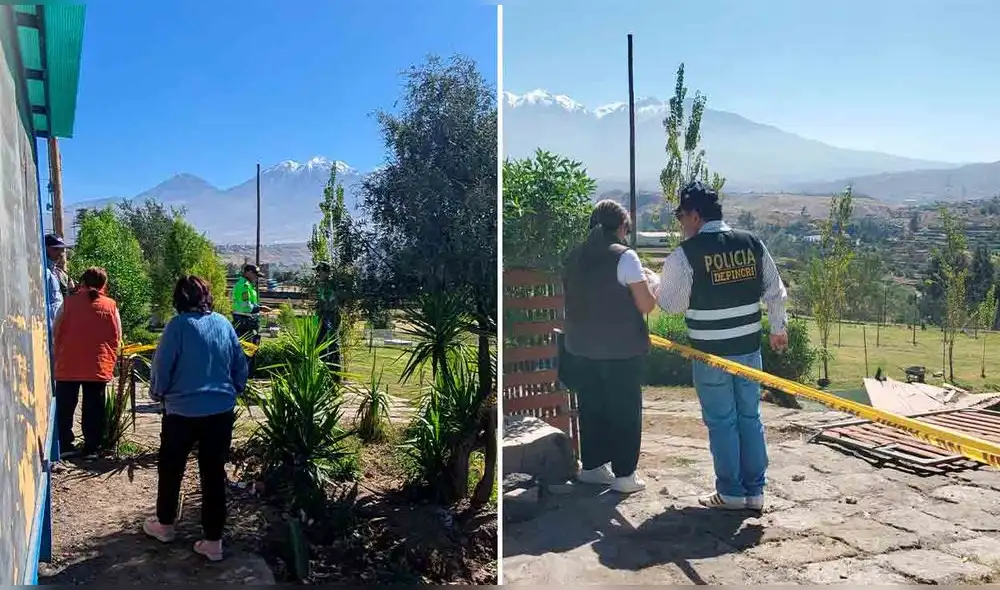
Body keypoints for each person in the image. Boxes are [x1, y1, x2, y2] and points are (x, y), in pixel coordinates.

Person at [655, 181, 789, 511]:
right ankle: (755, 491)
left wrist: (653, 283)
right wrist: (777, 328)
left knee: (722, 421)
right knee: (750, 416)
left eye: (680, 216)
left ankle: (730, 491)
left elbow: (671, 305)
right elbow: (775, 289)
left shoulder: (685, 255)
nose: (680, 223)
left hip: (710, 355)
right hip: (748, 350)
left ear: (695, 216)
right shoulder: (752, 243)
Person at [143, 275, 249, 562]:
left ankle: (165, 525)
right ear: (207, 297)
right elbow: (240, 363)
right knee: (213, 474)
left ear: (179, 299)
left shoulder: (177, 327)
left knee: (171, 468)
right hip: (220, 411)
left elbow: (162, 366)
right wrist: (234, 389)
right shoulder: (224, 324)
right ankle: (213, 542)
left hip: (182, 412)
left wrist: (157, 393)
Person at [562, 199, 659, 494]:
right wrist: (653, 284)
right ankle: (625, 475)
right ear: (621, 227)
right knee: (625, 411)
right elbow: (645, 304)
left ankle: (592, 467)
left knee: (592, 408)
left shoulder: (573, 256)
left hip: (579, 347)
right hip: (620, 351)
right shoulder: (625, 257)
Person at [53, 267, 121, 460]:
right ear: (103, 284)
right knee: (94, 407)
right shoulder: (111, 305)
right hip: (98, 364)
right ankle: (92, 447)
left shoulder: (68, 303)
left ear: (82, 282)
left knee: (66, 406)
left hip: (68, 363)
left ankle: (65, 445)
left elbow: (55, 328)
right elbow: (118, 334)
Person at [231, 264, 269, 372]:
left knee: (251, 351)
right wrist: (260, 308)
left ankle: (248, 375)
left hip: (250, 323)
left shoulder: (249, 286)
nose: (256, 277)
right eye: (255, 274)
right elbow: (246, 306)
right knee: (246, 353)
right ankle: (245, 377)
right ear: (247, 272)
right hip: (244, 323)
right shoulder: (244, 286)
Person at [314, 262, 341, 374]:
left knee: (331, 341)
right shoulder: (321, 284)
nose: (317, 274)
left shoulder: (329, 285)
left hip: (329, 317)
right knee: (320, 341)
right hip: (323, 317)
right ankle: (321, 365)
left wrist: (322, 308)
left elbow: (330, 303)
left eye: (319, 271)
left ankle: (333, 368)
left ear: (325, 272)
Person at [44, 233, 76, 297]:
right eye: (56, 249)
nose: (60, 253)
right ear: (45, 249)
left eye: (62, 249)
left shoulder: (57, 272)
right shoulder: (43, 272)